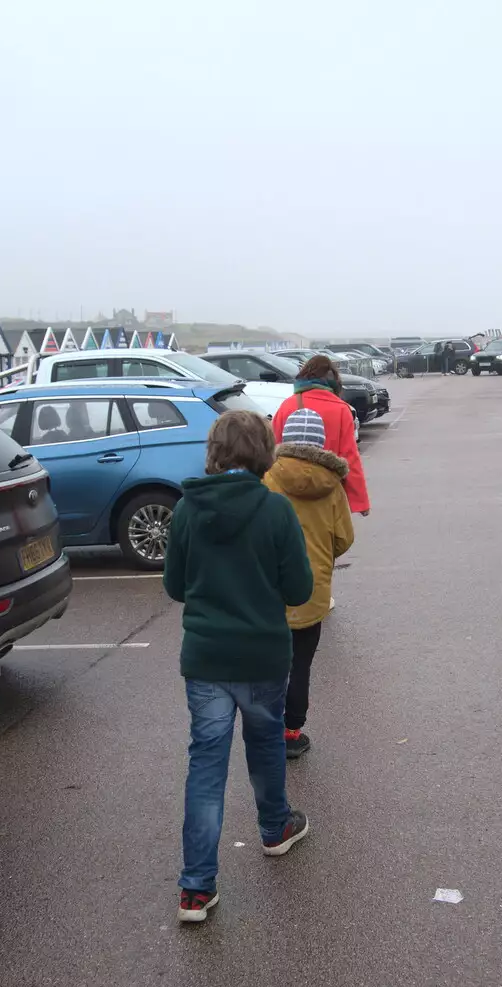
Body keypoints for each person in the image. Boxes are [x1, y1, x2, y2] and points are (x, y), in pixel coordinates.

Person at [163, 409, 314, 923]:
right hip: (263, 654)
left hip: (206, 658)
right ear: (263, 451)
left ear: (215, 450)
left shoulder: (187, 509)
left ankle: (195, 889)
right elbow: (299, 589)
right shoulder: (275, 510)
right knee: (266, 743)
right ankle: (275, 830)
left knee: (206, 765)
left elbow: (174, 587)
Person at [263, 415, 355, 758]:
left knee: (272, 663)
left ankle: (266, 728)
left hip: (270, 591)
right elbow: (344, 538)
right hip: (312, 591)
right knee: (301, 663)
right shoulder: (332, 483)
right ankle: (292, 732)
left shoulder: (266, 477)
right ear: (321, 442)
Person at [271, 354, 371, 516]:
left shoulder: (287, 406)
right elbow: (349, 457)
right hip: (327, 492)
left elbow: (272, 451)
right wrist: (360, 501)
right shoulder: (341, 409)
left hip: (288, 492)